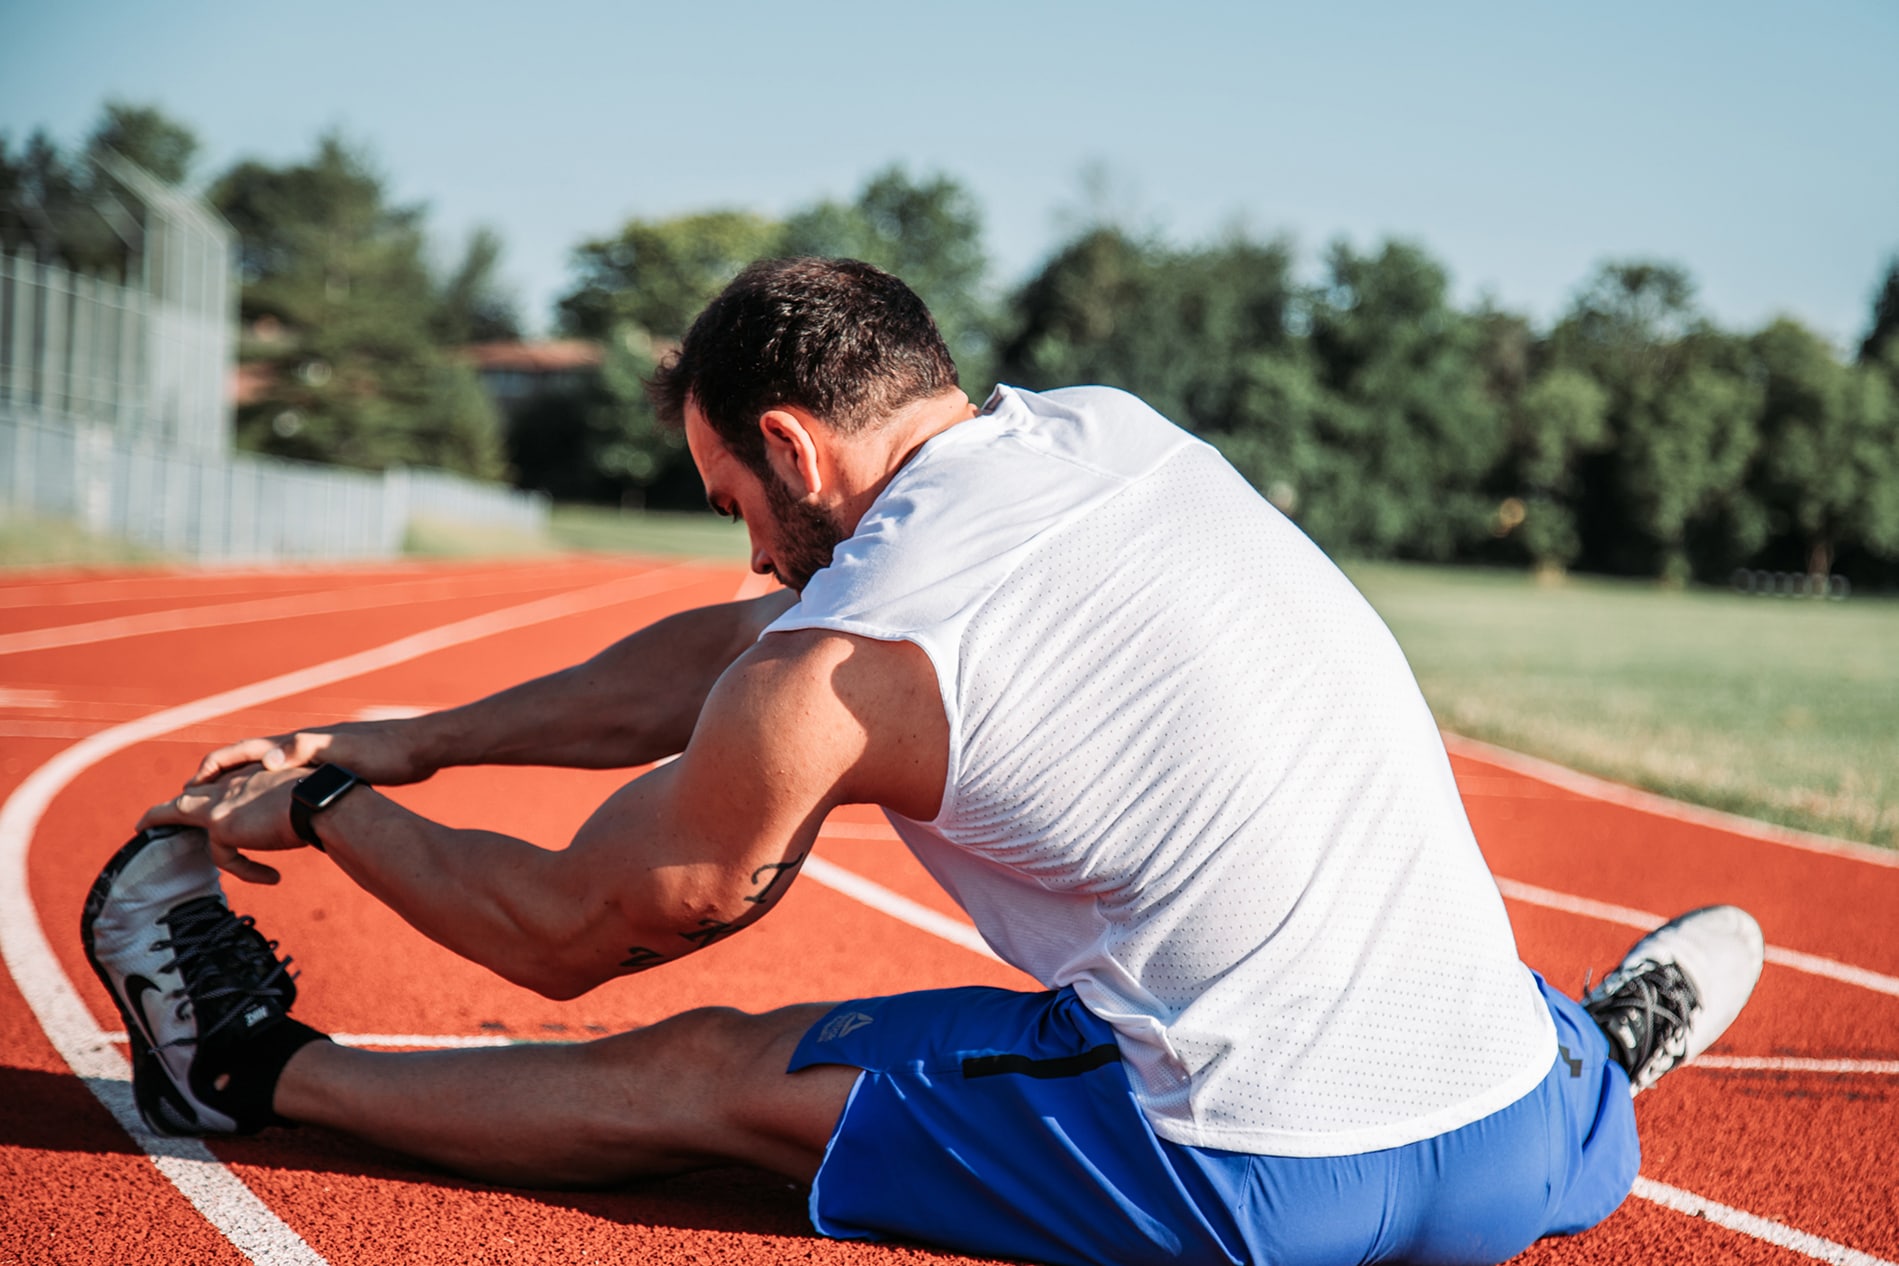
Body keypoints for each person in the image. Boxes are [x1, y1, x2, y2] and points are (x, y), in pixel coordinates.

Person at [85, 258, 1765, 1266]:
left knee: (708, 1074)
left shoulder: (838, 660)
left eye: (735, 502)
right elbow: (740, 652)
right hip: (1512, 1152)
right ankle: (1595, 1054)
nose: (746, 553)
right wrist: (418, 737)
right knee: (1379, 924)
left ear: (796, 448)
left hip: (1255, 1180)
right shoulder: (1111, 433)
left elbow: (570, 928)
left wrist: (324, 802)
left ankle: (245, 1071)